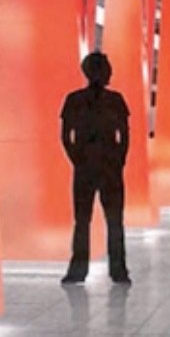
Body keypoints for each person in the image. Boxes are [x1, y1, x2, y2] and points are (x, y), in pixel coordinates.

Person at [60, 52, 131, 285]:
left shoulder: (74, 100)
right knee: (114, 221)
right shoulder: (116, 100)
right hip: (110, 167)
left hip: (85, 168)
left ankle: (78, 270)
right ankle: (118, 270)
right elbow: (124, 135)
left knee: (82, 221)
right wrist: (119, 159)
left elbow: (66, 136)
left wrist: (77, 158)